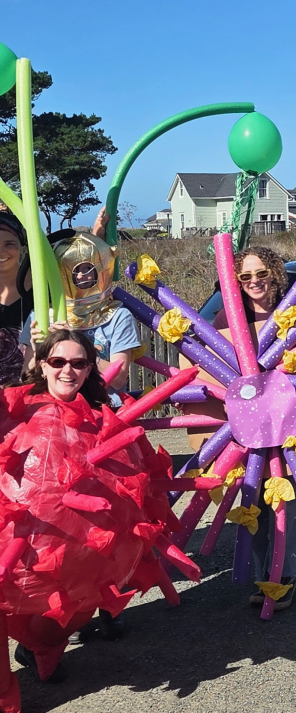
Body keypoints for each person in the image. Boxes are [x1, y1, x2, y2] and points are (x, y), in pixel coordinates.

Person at [183, 246, 296, 610]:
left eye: (262, 274)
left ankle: (283, 575)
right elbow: (206, 368)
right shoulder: (225, 320)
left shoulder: (292, 318)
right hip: (243, 431)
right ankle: (261, 573)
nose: (255, 282)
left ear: (275, 275)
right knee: (253, 499)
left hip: (289, 427)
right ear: (235, 282)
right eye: (246, 276)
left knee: (289, 501)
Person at [10, 329, 111, 683]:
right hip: (17, 535)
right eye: (57, 361)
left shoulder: (100, 416)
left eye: (78, 363)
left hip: (78, 541)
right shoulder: (16, 407)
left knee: (74, 608)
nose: (67, 370)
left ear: (88, 370)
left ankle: (42, 647)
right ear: (42, 364)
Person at [20, 231, 141, 404]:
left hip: (103, 409)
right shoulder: (41, 316)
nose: (82, 276)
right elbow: (26, 378)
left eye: (87, 268)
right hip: (54, 410)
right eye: (74, 270)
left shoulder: (118, 316)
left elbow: (119, 378)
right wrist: (38, 350)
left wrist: (77, 343)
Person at [0, 210, 32, 385]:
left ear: (21, 245)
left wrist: (98, 237)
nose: (1, 251)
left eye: (9, 244)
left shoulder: (42, 288)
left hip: (30, 391)